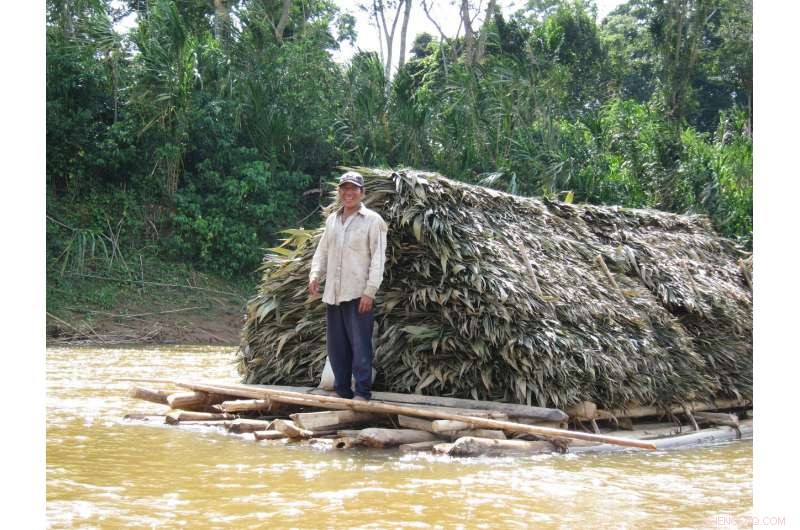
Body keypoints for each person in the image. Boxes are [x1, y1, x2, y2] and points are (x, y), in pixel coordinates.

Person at [308, 171, 388, 401]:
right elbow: (321, 252)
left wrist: (369, 291)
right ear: (340, 192)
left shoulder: (373, 221)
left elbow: (378, 259)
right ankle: (342, 391)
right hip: (333, 294)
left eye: (354, 189)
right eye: (345, 188)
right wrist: (315, 275)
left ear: (362, 192)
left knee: (360, 346)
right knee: (337, 348)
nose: (349, 193)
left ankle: (362, 392)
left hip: (358, 294)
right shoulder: (332, 220)